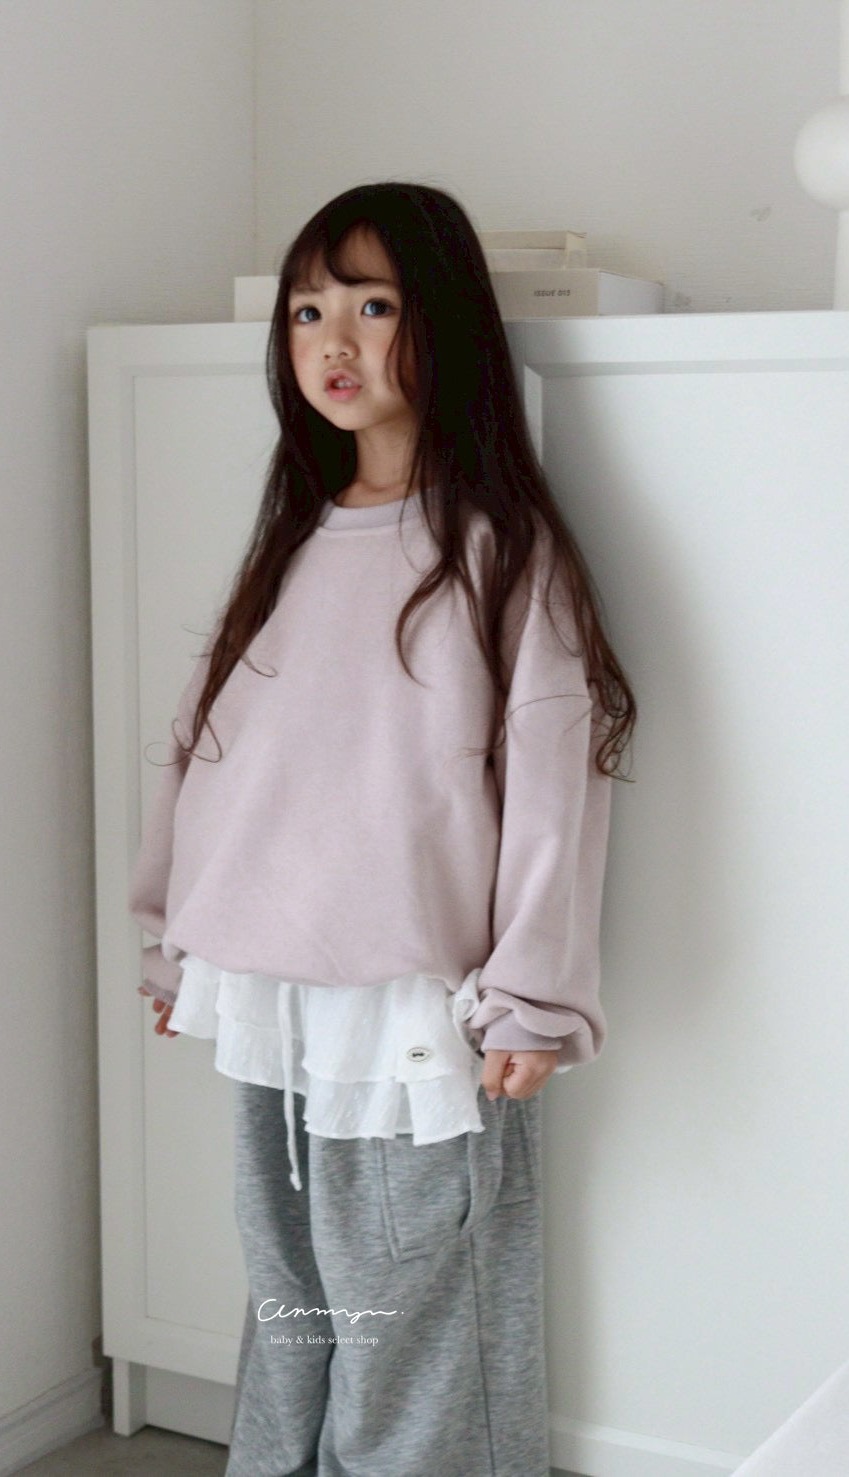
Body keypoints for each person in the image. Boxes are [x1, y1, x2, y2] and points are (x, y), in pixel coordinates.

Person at [129, 181, 637, 1477]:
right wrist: (174, 941)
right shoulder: (292, 541)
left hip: (414, 1007)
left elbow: (554, 789)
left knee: (412, 1305)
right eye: (308, 312)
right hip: (269, 991)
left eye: (372, 305)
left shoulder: (498, 552)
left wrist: (531, 999)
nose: (333, 342)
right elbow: (210, 759)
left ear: (442, 324)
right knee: (295, 1295)